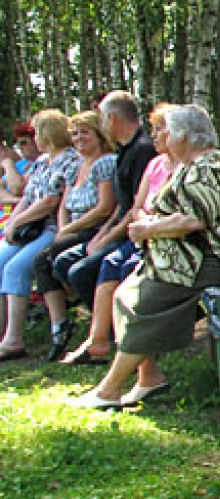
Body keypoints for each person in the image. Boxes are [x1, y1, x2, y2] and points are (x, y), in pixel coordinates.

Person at [68, 104, 220, 408]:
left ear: (184, 135)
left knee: (144, 304)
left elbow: (193, 220)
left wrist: (147, 230)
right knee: (122, 294)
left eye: (166, 129)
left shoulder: (210, 167)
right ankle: (148, 377)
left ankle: (110, 390)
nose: (161, 135)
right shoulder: (190, 166)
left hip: (209, 261)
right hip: (179, 258)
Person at [61, 103, 179, 366]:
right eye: (154, 128)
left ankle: (135, 352)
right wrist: (120, 230)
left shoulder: (176, 164)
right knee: (105, 263)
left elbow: (186, 216)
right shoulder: (154, 163)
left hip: (166, 240)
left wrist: (136, 229)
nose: (155, 135)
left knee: (120, 270)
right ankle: (100, 338)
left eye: (160, 129)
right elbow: (132, 207)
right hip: (140, 232)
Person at [53, 91, 156, 315]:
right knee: (62, 262)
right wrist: (101, 236)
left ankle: (113, 330)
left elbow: (135, 209)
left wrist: (106, 238)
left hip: (134, 234)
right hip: (118, 228)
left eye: (100, 119)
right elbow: (120, 205)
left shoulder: (143, 150)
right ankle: (102, 318)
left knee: (80, 272)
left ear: (112, 119)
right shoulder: (124, 151)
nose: (100, 125)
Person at [34, 110, 117, 361]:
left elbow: (104, 207)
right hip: (72, 228)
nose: (79, 138)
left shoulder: (106, 163)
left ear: (99, 135)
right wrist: (63, 229)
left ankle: (103, 327)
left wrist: (68, 231)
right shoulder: (76, 167)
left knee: (64, 261)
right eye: (75, 133)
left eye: (85, 132)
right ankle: (60, 326)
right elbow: (64, 205)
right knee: (42, 262)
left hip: (96, 228)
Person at [0, 110, 80, 361]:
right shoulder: (42, 162)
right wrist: (12, 223)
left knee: (16, 268)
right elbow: (26, 196)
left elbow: (49, 201)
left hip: (52, 226)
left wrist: (19, 221)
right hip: (29, 228)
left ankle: (14, 339)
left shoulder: (69, 160)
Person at [0, 121, 42, 224]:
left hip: (24, 219)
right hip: (7, 214)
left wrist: (8, 163)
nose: (20, 147)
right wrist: (16, 200)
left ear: (37, 141)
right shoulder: (22, 163)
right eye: (18, 143)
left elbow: (18, 188)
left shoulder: (42, 164)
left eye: (24, 143)